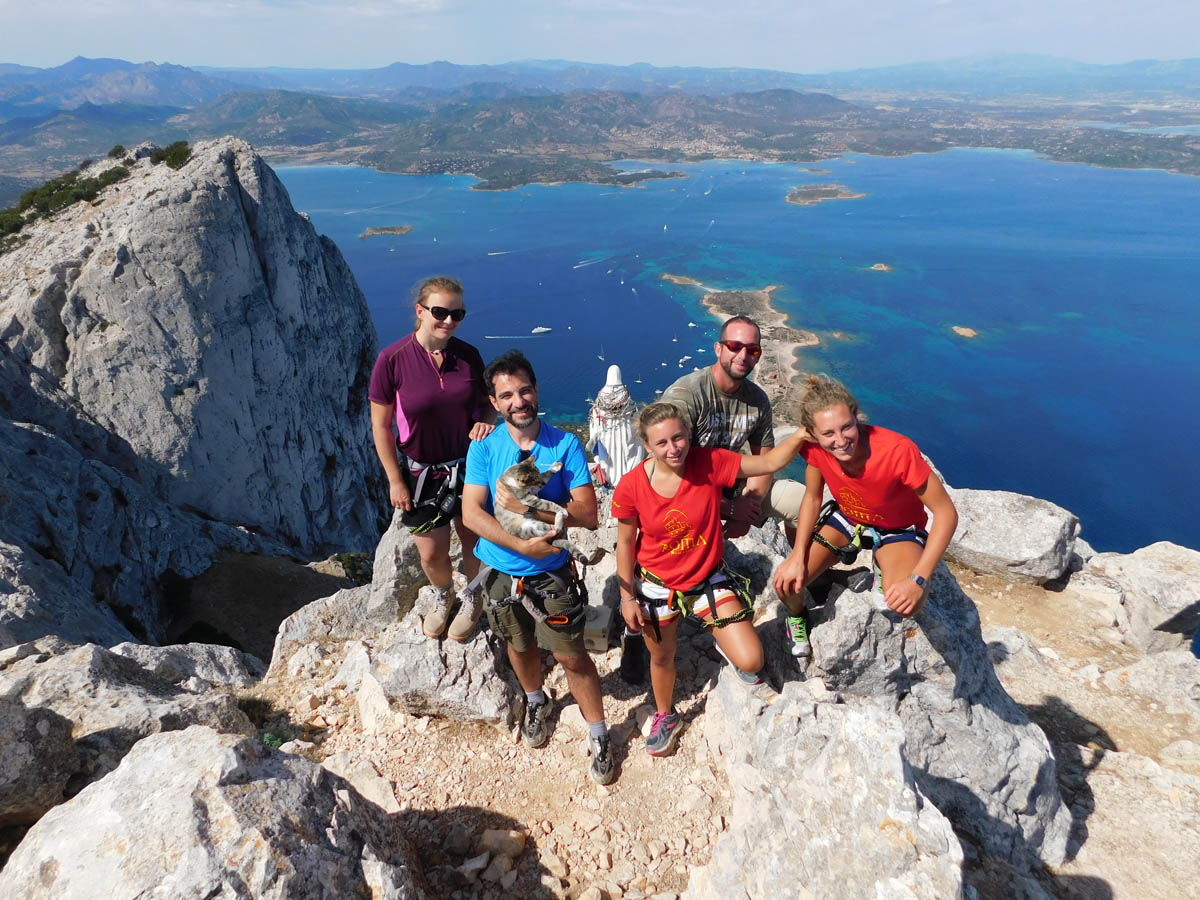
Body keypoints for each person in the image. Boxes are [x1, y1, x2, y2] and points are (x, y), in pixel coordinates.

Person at [613, 401, 807, 757]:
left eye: (678, 438)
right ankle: (665, 714)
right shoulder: (632, 487)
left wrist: (804, 433)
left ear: (689, 435)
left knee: (751, 661)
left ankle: (720, 639)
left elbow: (767, 463)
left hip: (706, 578)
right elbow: (625, 543)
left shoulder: (709, 462)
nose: (673, 449)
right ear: (647, 446)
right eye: (662, 443)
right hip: (658, 584)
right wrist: (627, 598)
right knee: (663, 656)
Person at [461, 350, 615, 785]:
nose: (518, 401)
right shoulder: (484, 449)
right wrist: (518, 546)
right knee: (519, 645)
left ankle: (599, 733)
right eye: (506, 394)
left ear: (536, 390)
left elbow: (588, 514)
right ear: (494, 402)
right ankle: (535, 701)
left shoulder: (563, 445)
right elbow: (472, 513)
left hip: (552, 573)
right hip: (501, 571)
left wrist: (537, 509)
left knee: (570, 654)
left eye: (524, 390)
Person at [771, 375, 959, 660]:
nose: (840, 440)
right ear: (813, 434)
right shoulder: (814, 450)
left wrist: (917, 579)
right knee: (787, 583)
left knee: (909, 603)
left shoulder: (896, 451)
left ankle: (883, 561)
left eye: (847, 427)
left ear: (857, 418)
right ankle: (797, 617)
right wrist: (797, 555)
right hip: (848, 518)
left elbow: (946, 513)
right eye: (828, 434)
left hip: (897, 528)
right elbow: (812, 497)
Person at [369, 276, 495, 642]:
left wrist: (486, 424)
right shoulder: (392, 360)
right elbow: (380, 425)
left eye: (458, 314)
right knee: (431, 554)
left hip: (469, 466)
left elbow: (487, 405)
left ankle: (473, 597)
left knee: (475, 542)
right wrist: (394, 479)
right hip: (420, 472)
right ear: (420, 311)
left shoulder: (468, 356)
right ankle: (443, 595)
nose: (449, 321)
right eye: (440, 312)